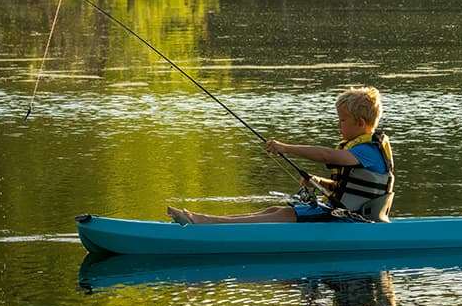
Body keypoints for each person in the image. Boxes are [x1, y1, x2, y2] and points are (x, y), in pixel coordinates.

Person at [167, 86, 394, 225]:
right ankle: (210, 222)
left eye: (342, 120)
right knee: (274, 211)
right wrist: (319, 182)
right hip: (346, 215)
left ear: (361, 123)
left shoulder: (368, 152)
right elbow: (349, 188)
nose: (338, 125)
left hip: (352, 220)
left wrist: (285, 147)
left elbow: (326, 154)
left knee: (284, 214)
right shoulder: (361, 151)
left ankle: (206, 224)